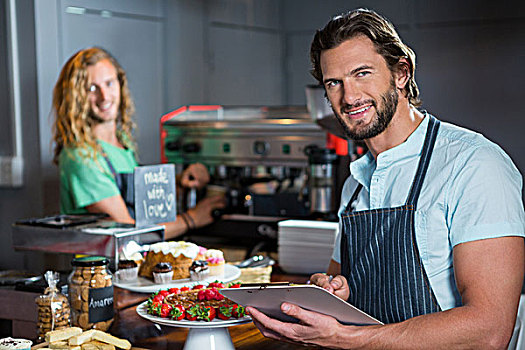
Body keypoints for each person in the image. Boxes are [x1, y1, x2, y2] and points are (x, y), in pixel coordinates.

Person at [248, 9, 525, 349]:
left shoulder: (474, 164)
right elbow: (343, 289)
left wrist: (345, 338)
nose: (349, 97)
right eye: (334, 83)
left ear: (400, 73)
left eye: (362, 73)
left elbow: (489, 331)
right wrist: (333, 293)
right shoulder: (355, 184)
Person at [52, 47, 225, 239]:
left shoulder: (122, 143)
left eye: (109, 83)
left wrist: (180, 183)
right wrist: (192, 219)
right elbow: (129, 234)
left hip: (134, 264)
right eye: (92, 88)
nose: (104, 96)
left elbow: (138, 201)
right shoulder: (81, 156)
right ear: (76, 97)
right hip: (103, 267)